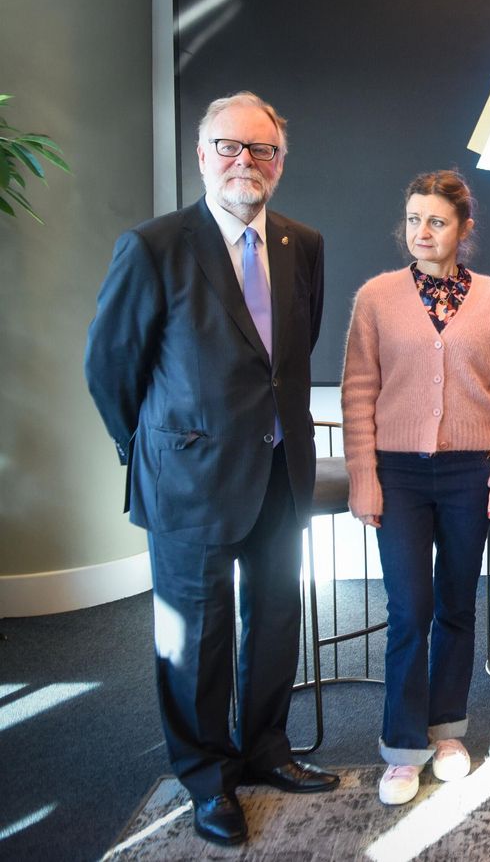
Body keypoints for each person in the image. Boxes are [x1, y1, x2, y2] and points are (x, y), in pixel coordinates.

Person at [84, 92, 335, 846]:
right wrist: (151, 451)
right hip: (186, 480)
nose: (245, 162)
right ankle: (206, 778)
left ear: (280, 163)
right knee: (194, 639)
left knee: (273, 618)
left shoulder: (303, 244)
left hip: (277, 471)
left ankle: (265, 749)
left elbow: (286, 363)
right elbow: (110, 367)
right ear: (202, 155)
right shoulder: (155, 247)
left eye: (261, 151)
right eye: (230, 146)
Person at [341, 171, 490, 804]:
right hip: (399, 473)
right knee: (408, 608)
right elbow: (359, 392)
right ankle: (400, 746)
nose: (423, 232)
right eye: (414, 219)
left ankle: (448, 730)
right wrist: (362, 478)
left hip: (469, 472)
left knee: (455, 604)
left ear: (463, 229)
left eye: (437, 221)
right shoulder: (376, 297)